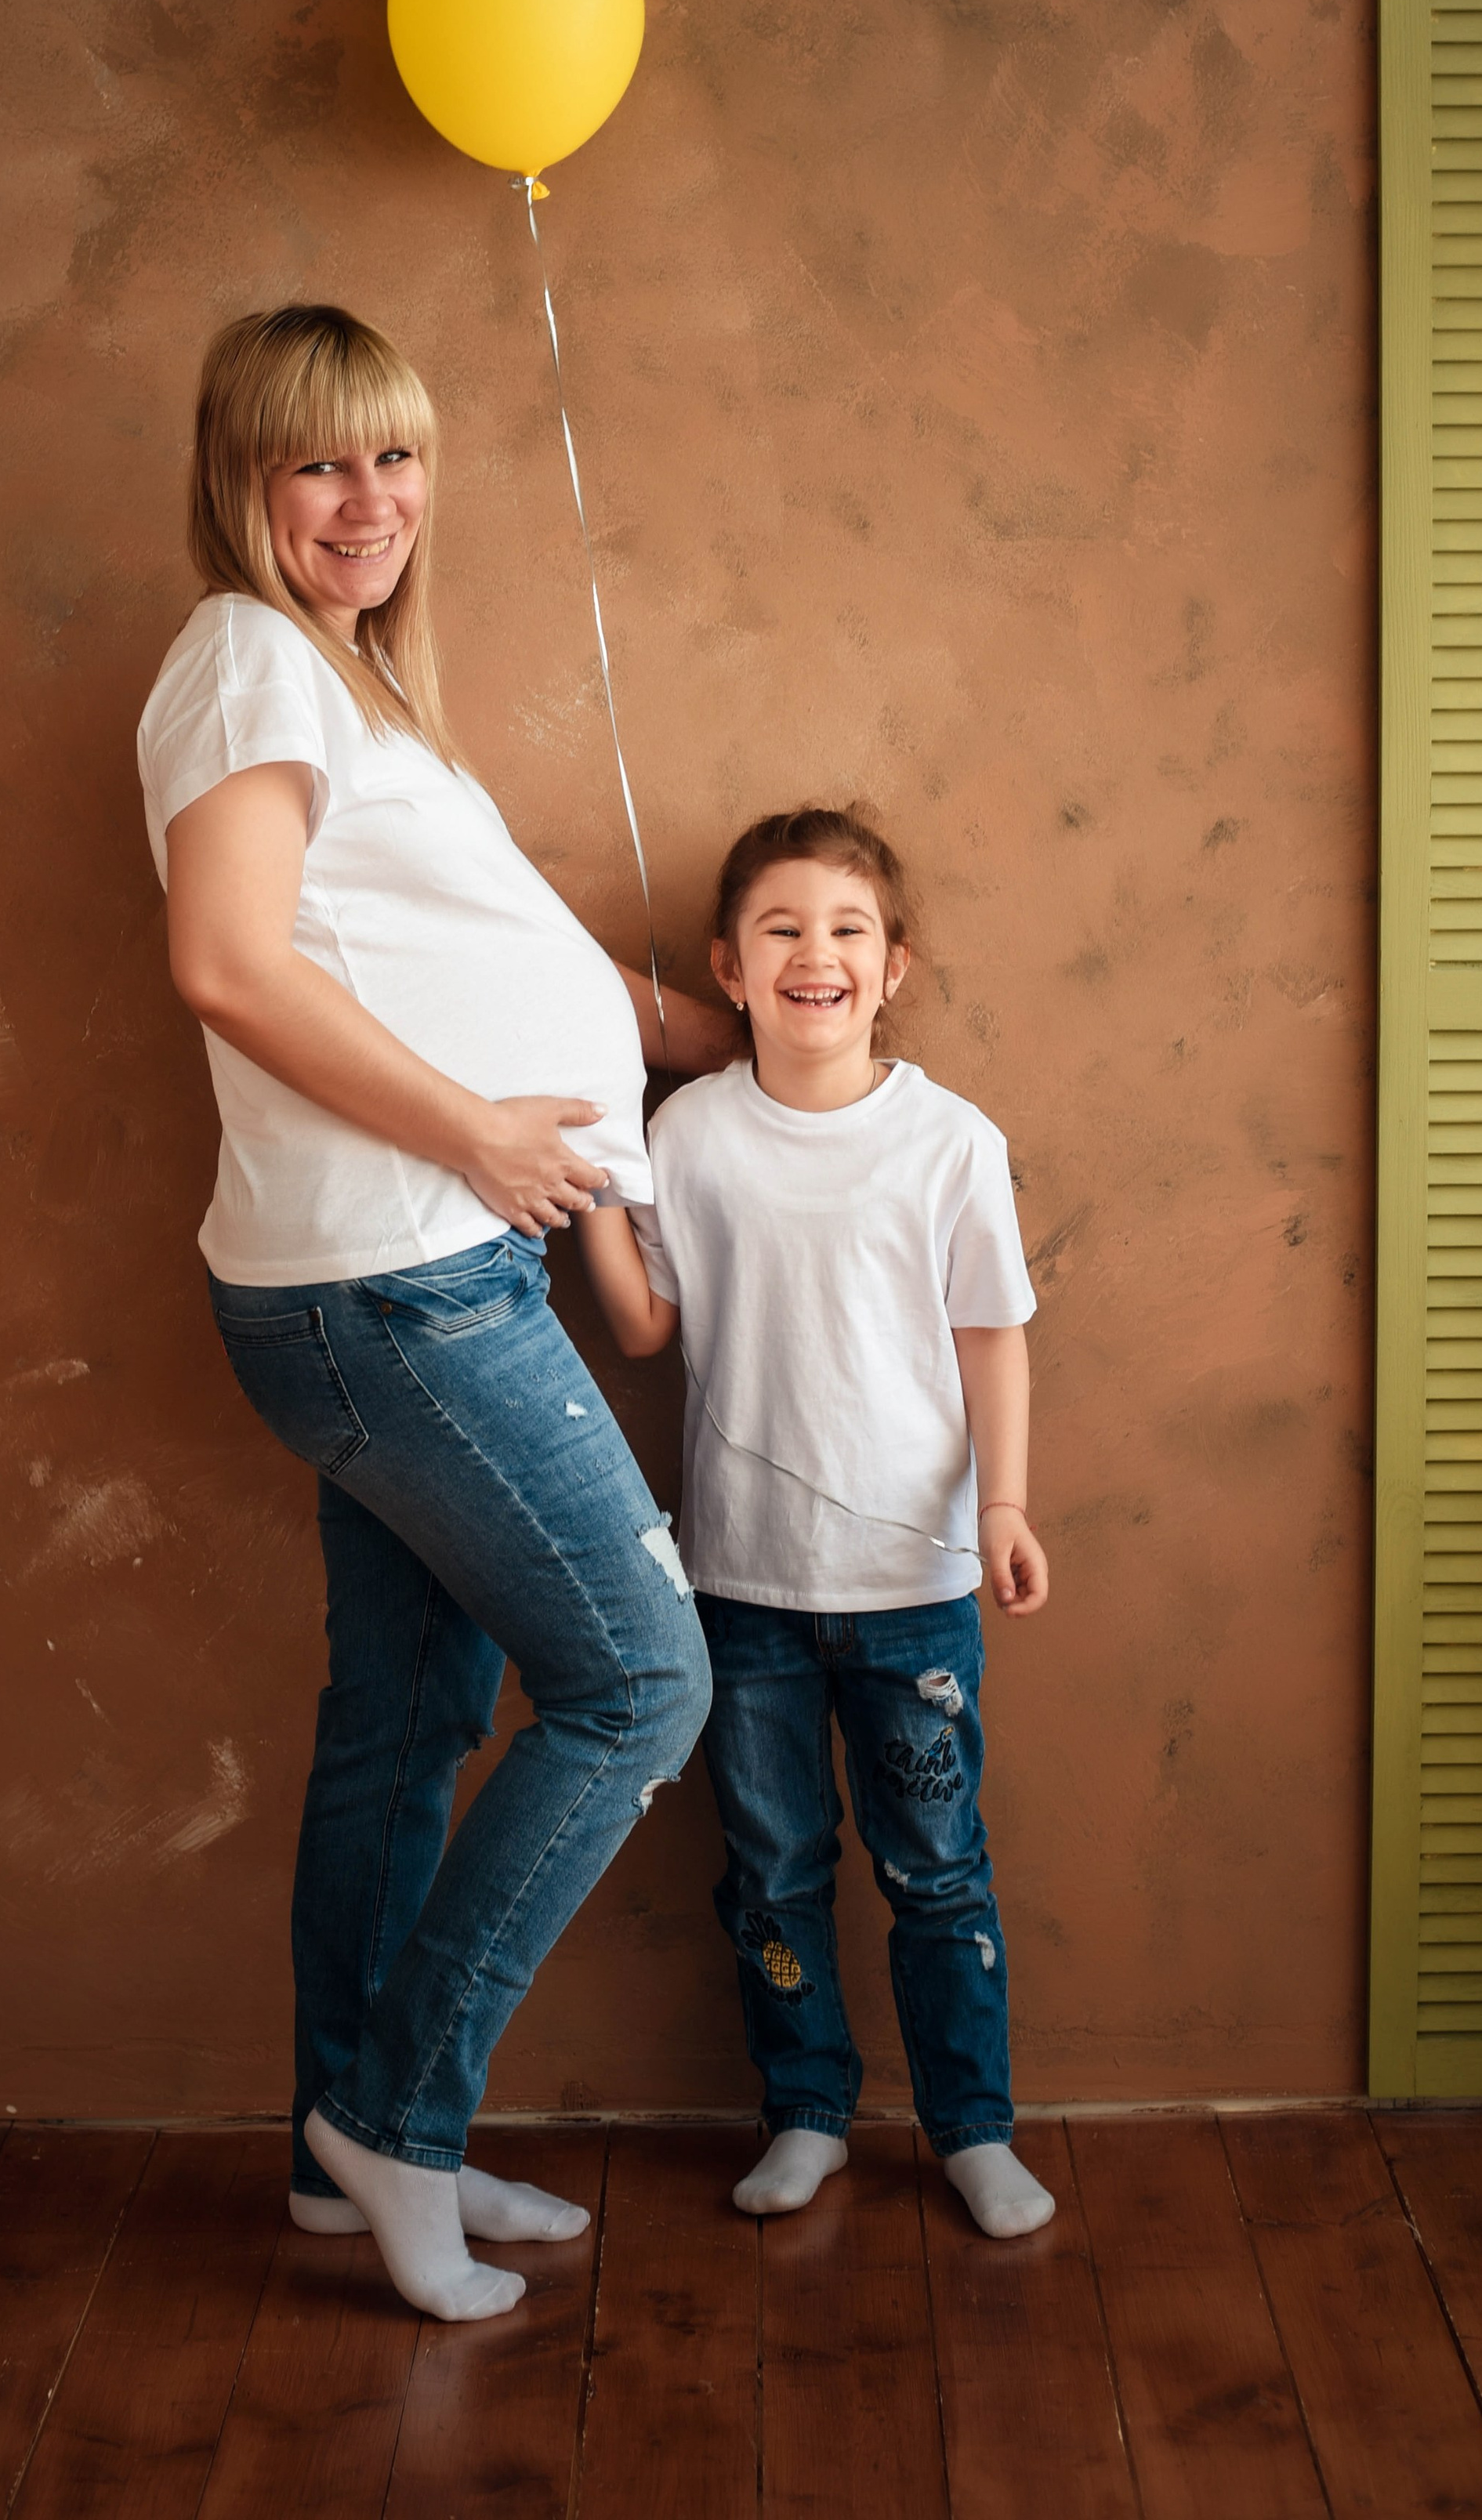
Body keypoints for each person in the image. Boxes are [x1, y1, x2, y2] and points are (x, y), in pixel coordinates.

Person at [138, 303, 726, 2321]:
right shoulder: (237, 659)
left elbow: (475, 942)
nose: (367, 502)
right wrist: (482, 1132)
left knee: (405, 1725)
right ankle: (397, 2125)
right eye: (318, 464)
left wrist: (696, 1031)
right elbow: (226, 962)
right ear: (242, 479)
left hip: (390, 1274)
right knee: (643, 1686)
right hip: (396, 1278)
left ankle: (339, 2145)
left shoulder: (348, 687)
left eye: (394, 458)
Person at [576, 805, 1056, 2238]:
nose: (815, 954)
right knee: (774, 1872)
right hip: (743, 1586)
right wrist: (604, 1183)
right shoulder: (692, 1133)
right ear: (728, 966)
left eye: (847, 929)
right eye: (781, 928)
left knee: (938, 1866)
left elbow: (995, 1333)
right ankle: (806, 2113)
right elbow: (646, 1328)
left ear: (893, 965)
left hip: (917, 1579)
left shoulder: (951, 1142)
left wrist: (1007, 1505)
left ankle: (972, 2125)